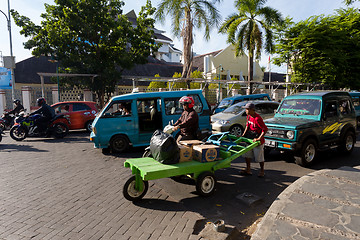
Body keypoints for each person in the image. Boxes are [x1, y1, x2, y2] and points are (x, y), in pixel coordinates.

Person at [241, 102, 268, 178]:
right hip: (250, 137)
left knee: (259, 157)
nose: (245, 111)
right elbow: (247, 126)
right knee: (247, 155)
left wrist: (259, 138)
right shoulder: (249, 117)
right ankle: (248, 169)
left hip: (257, 139)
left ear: (251, 110)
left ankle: (262, 171)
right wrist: (243, 135)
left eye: (246, 109)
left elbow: (265, 129)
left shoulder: (257, 118)